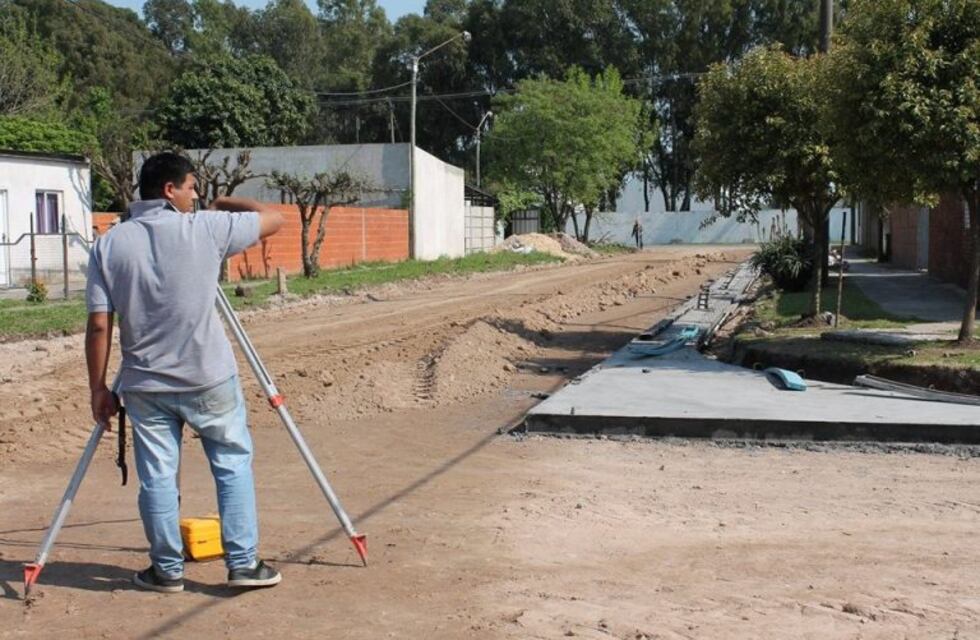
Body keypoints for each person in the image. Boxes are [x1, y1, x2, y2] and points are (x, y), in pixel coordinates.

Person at [85, 152, 284, 593]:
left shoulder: (108, 245)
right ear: (168, 190)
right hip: (208, 377)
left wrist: (99, 388)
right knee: (231, 463)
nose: (197, 195)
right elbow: (274, 218)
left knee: (156, 475)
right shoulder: (208, 228)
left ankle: (167, 571)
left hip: (145, 384)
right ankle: (243, 564)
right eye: (192, 187)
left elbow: (100, 323)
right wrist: (228, 201)